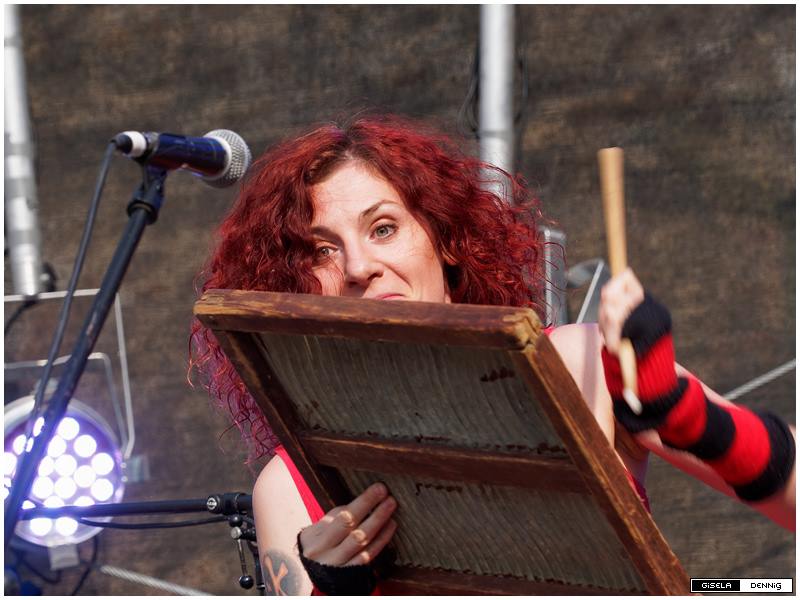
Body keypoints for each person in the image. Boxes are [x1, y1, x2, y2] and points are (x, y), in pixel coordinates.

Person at [190, 115, 795, 595]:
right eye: (322, 250)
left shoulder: (578, 364)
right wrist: (336, 588)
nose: (357, 267)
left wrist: (681, 410)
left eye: (383, 228)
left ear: (445, 239)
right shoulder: (289, 485)